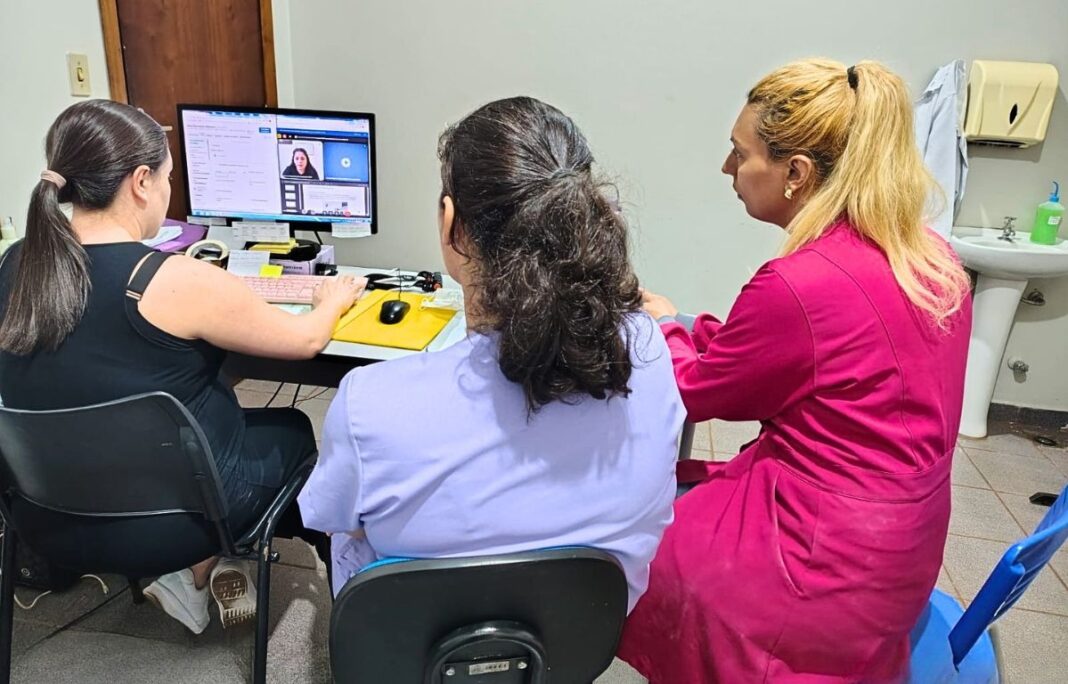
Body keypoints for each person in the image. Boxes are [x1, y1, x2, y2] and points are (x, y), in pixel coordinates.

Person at [619, 59, 973, 682]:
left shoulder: (800, 283)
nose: (727, 168)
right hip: (900, 553)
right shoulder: (930, 259)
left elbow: (694, 392)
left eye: (740, 154)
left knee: (625, 547)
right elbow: (813, 360)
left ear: (796, 173)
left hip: (821, 573)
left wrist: (664, 326)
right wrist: (700, 331)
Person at [297, 96, 685, 611]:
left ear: (452, 224)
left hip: (419, 635)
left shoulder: (368, 405)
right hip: (583, 631)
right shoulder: (651, 353)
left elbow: (332, 518)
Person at [0, 100, 365, 634]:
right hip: (176, 525)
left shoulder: (15, 263)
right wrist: (331, 298)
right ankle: (207, 562)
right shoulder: (172, 279)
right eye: (169, 177)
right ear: (141, 182)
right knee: (293, 428)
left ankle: (193, 576)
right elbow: (307, 339)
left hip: (48, 520)